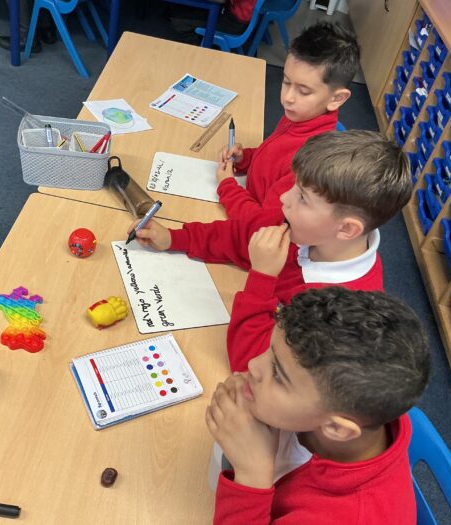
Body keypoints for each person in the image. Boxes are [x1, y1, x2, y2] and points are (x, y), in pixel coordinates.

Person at [127, 130, 412, 372]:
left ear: (347, 229)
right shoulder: (310, 230)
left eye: (303, 198)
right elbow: (243, 235)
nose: (284, 198)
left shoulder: (336, 314)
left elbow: (251, 365)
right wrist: (175, 238)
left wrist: (262, 277)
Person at [206, 287, 431, 524]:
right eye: (270, 351)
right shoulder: (353, 403)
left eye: (278, 374)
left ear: (336, 428)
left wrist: (252, 475)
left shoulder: (346, 516)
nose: (253, 364)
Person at [218, 22, 359, 221]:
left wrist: (227, 187)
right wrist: (245, 159)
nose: (288, 97)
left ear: (336, 99)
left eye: (304, 91)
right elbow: (274, 161)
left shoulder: (307, 166)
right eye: (286, 81)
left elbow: (263, 225)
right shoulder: (302, 115)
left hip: (254, 226)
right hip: (249, 199)